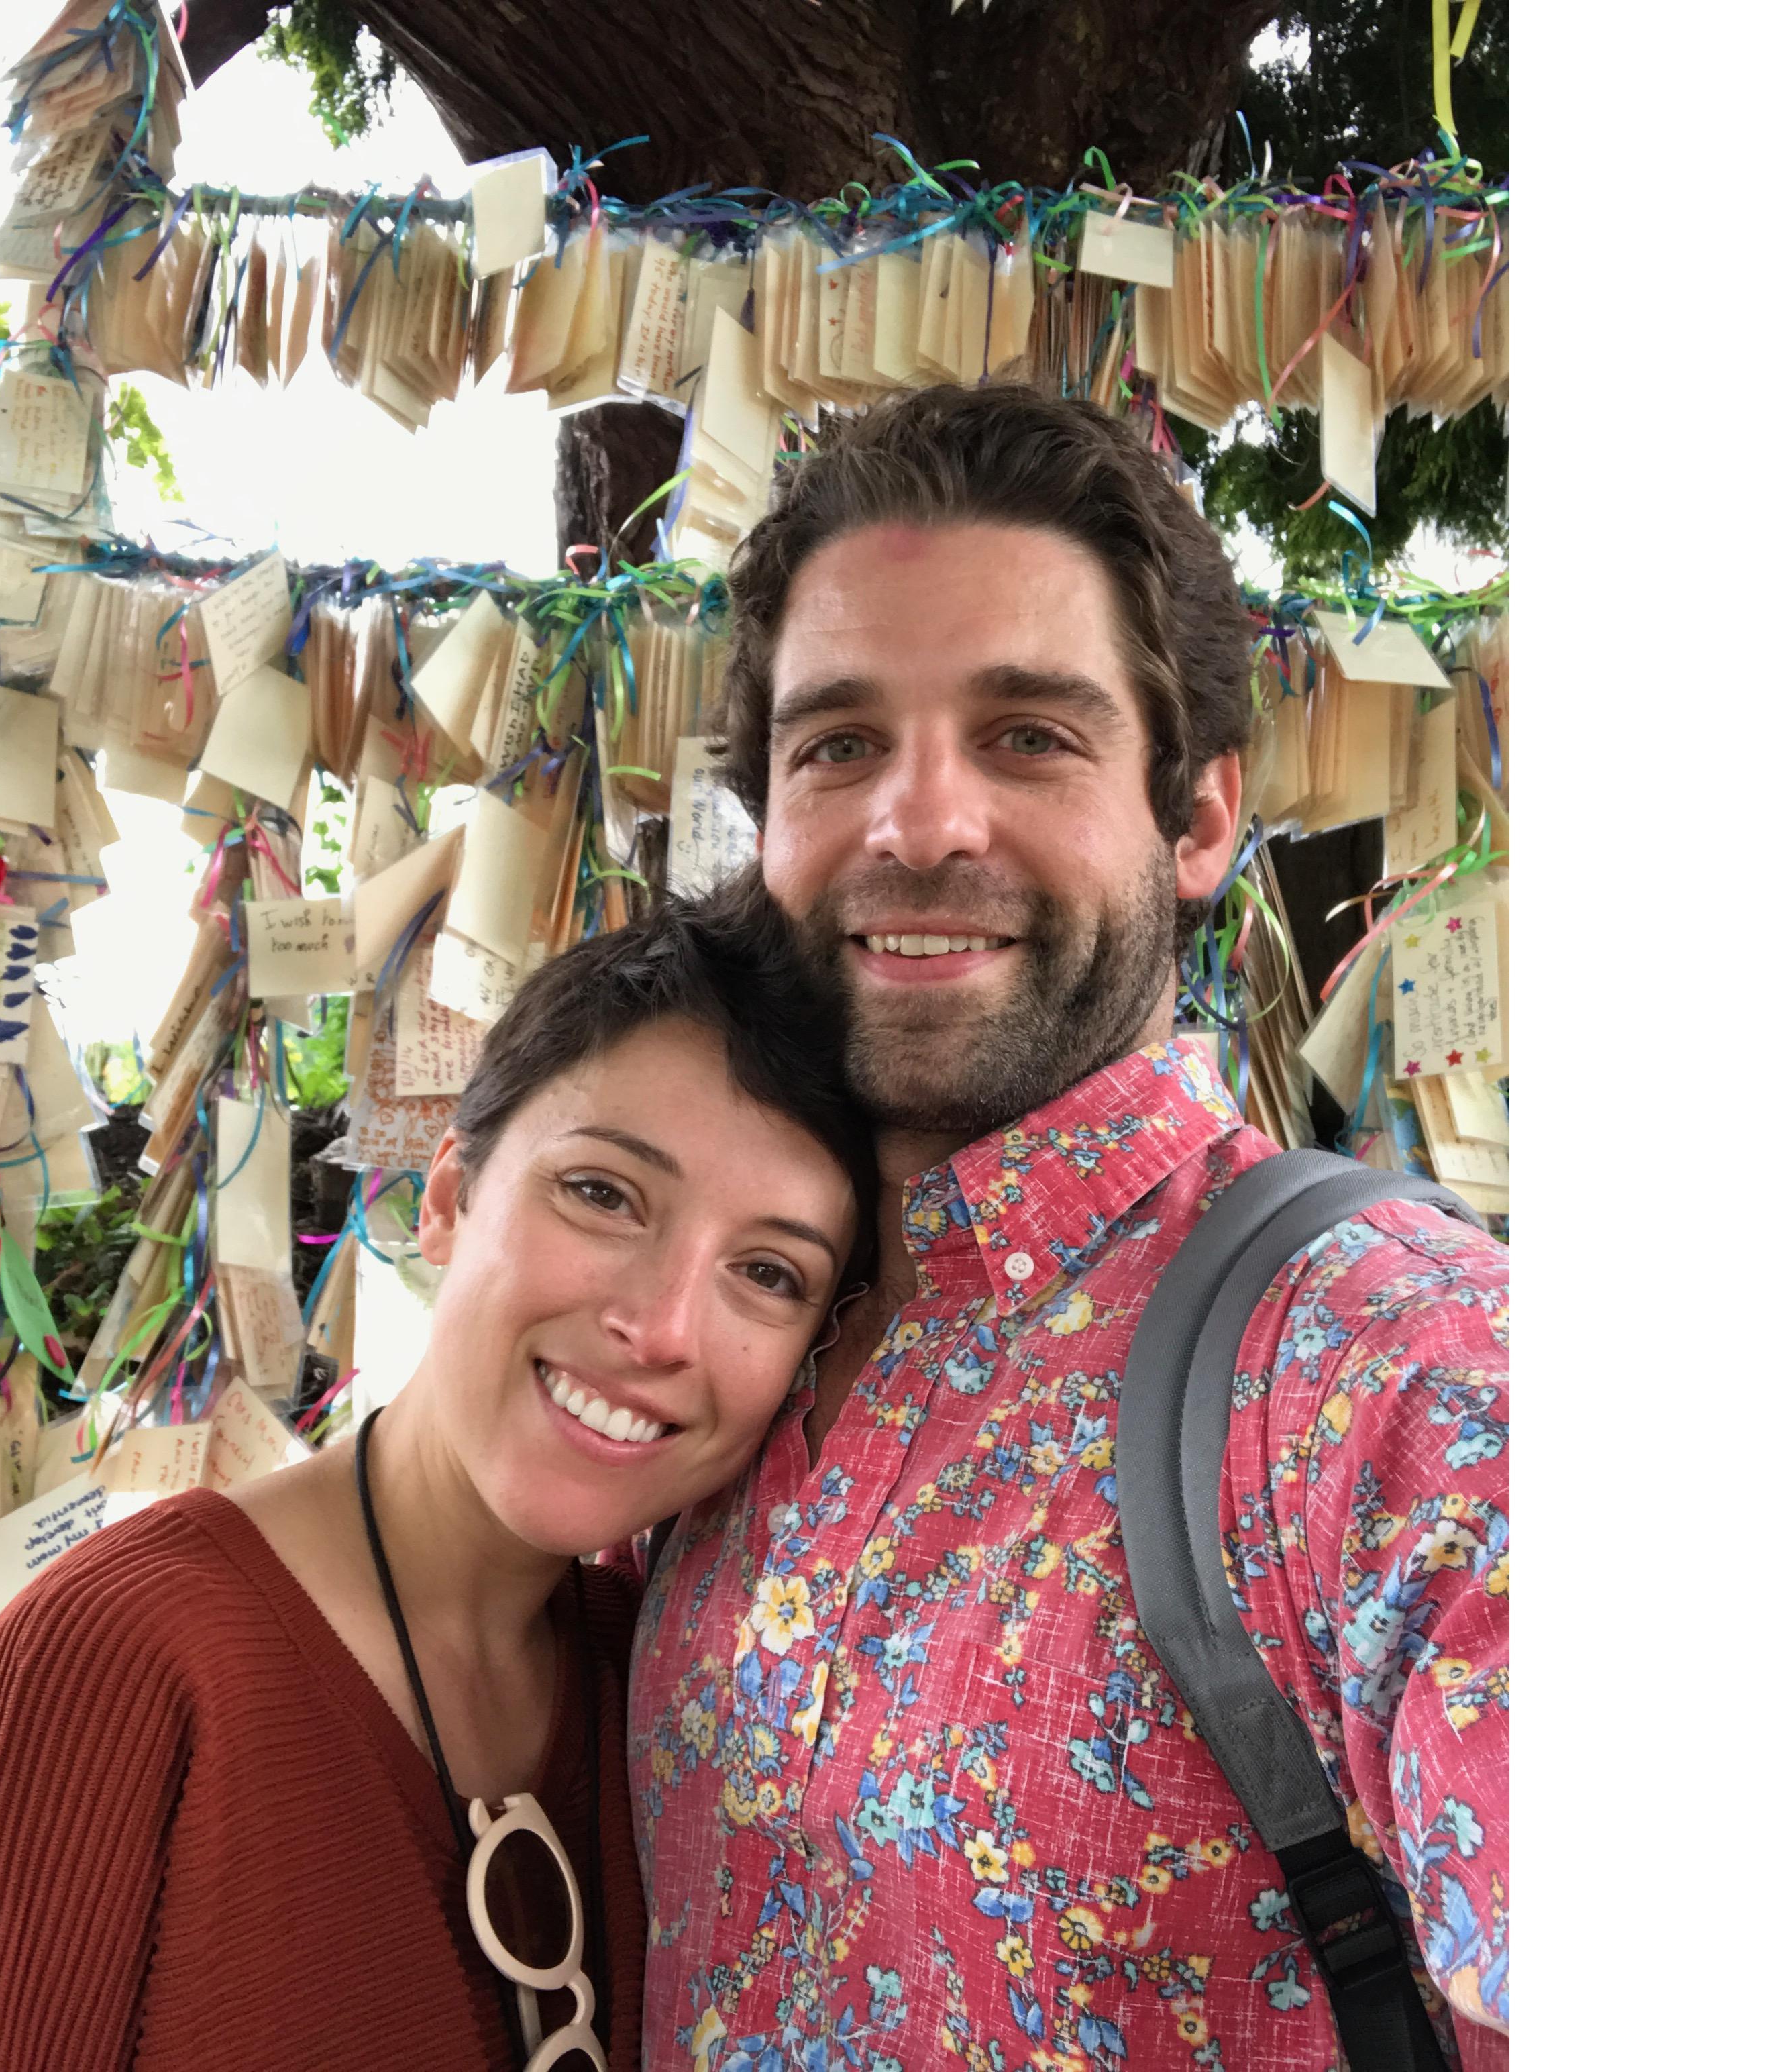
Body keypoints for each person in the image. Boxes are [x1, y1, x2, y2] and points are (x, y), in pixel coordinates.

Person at [629, 387, 1510, 2070]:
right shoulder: (711, 1347)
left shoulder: (1407, 1370)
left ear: (1193, 822)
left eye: (1027, 735)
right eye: (837, 745)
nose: (918, 823)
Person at [0, 890, 878, 2072]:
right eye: (602, 1193)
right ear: (447, 1197)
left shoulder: (667, 1684)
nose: (660, 1329)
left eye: (767, 1272)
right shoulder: (126, 1659)